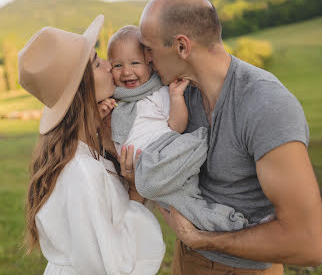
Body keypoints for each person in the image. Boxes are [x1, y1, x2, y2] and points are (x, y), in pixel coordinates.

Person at [133, 0, 322, 275]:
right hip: (186, 259)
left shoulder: (266, 105)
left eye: (149, 48)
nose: (146, 58)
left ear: (182, 47)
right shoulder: (178, 94)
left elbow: (307, 244)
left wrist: (204, 239)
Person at [19, 15, 165, 275]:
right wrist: (134, 191)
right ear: (82, 86)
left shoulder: (90, 147)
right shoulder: (81, 171)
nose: (110, 66)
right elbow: (111, 264)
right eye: (98, 63)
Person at [101, 25, 250, 233]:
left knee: (153, 187)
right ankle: (234, 224)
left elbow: (176, 127)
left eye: (135, 63)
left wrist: (176, 97)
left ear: (150, 64)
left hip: (165, 154)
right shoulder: (116, 101)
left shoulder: (156, 93)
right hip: (150, 170)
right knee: (190, 209)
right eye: (117, 65)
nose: (126, 72)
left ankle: (201, 143)